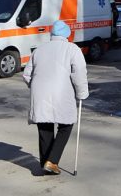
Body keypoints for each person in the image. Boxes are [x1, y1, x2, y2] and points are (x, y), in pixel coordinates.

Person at [22, 20, 89, 175]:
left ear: (52, 34)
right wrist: (82, 93)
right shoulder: (72, 49)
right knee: (66, 125)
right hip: (62, 92)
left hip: (40, 92)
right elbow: (79, 73)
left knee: (45, 126)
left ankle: (47, 163)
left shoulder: (39, 50)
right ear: (66, 35)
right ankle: (51, 161)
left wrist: (35, 86)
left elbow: (26, 74)